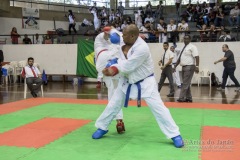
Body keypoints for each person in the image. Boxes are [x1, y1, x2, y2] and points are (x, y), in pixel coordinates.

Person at [92, 24, 184, 148]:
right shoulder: (123, 38)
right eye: (122, 34)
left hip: (145, 82)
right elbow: (116, 37)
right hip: (126, 81)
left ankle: (175, 134)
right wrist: (110, 30)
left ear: (133, 36)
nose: (121, 36)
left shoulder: (142, 48)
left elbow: (128, 66)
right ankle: (102, 127)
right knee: (113, 105)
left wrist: (113, 68)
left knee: (160, 109)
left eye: (124, 35)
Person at [94, 26, 125, 133]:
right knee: (114, 95)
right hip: (107, 61)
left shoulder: (113, 45)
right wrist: (111, 30)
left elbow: (116, 38)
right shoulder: (99, 39)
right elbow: (112, 36)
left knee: (113, 95)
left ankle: (119, 121)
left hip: (106, 68)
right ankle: (119, 120)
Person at [174, 35, 199, 102]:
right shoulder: (183, 47)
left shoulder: (192, 47)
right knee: (186, 83)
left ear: (190, 39)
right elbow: (179, 58)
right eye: (184, 39)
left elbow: (197, 56)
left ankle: (181, 98)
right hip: (183, 67)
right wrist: (175, 66)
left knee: (185, 83)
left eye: (187, 39)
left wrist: (197, 66)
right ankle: (189, 97)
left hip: (190, 66)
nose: (185, 40)